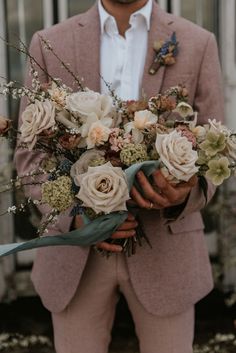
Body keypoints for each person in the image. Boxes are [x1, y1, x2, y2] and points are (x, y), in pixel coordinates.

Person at [15, 0, 224, 352]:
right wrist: (75, 218)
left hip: (167, 248)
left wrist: (185, 193)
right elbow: (29, 155)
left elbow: (216, 149)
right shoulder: (50, 43)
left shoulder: (197, 41)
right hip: (76, 254)